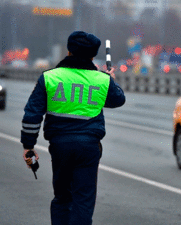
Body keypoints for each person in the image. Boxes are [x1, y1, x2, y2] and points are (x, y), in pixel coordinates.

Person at [21, 31, 126, 225]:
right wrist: (110, 80)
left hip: (60, 147)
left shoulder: (49, 77)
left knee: (62, 197)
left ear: (68, 51)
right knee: (83, 201)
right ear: (92, 56)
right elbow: (118, 99)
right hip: (89, 148)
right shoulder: (101, 80)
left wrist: (28, 146)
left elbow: (32, 115)